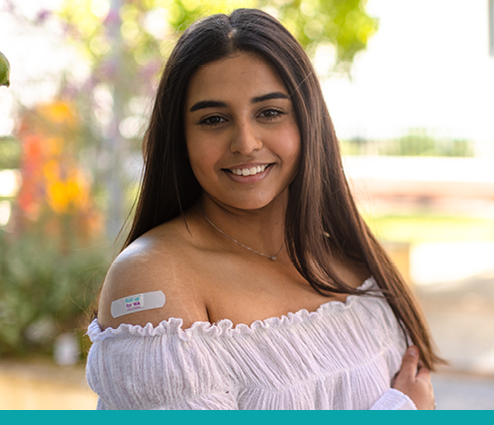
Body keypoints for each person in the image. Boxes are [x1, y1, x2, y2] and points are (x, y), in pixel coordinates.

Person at [85, 8, 441, 410]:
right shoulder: (152, 280)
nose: (246, 142)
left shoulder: (349, 260)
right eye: (214, 119)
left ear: (307, 122)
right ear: (179, 138)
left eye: (269, 112)